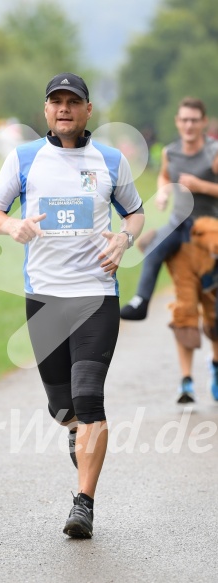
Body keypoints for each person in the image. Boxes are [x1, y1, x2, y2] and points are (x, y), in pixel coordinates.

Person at [0, 72, 144, 538]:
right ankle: (75, 430)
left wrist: (124, 238)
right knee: (61, 406)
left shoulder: (110, 160)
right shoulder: (25, 158)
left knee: (89, 396)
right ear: (46, 110)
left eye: (74, 101)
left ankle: (83, 503)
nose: (65, 108)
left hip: (96, 295)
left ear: (88, 110)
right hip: (44, 297)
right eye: (57, 101)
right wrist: (11, 227)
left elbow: (135, 211)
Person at [120, 97, 218, 403]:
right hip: (179, 228)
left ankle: (214, 365)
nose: (189, 125)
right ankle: (141, 300)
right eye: (184, 120)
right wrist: (163, 191)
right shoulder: (171, 152)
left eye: (194, 120)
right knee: (184, 308)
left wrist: (202, 187)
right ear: (177, 122)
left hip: (208, 237)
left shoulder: (213, 153)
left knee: (213, 313)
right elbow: (165, 175)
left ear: (203, 122)